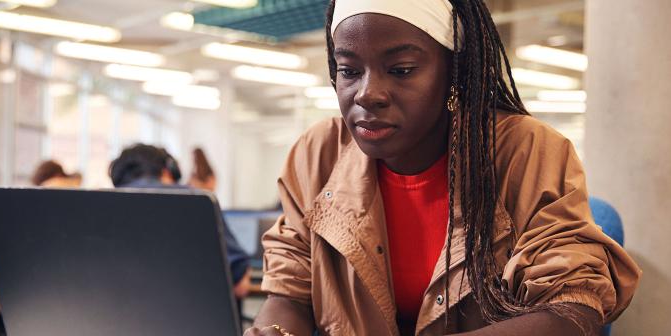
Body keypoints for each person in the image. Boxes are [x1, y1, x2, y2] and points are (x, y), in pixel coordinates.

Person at [246, 1, 641, 336]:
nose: (367, 93)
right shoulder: (318, 154)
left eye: (401, 70)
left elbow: (573, 309)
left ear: (453, 71)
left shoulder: (526, 150)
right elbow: (289, 294)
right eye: (349, 70)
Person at [109, 144, 252, 299]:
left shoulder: (102, 206)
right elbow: (241, 286)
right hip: (194, 320)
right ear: (167, 171)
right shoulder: (197, 200)